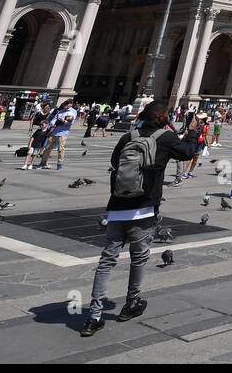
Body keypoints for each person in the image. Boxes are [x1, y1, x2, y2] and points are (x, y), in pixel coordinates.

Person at [81, 101, 200, 338]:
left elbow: (115, 163)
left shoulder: (129, 136)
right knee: (139, 257)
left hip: (118, 205)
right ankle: (131, 303)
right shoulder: (165, 138)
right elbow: (187, 152)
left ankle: (94, 316)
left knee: (107, 260)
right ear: (164, 118)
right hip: (144, 206)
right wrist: (193, 131)